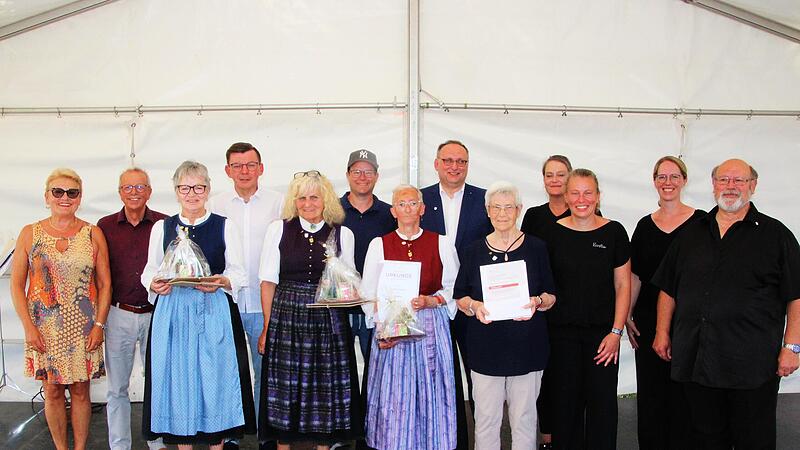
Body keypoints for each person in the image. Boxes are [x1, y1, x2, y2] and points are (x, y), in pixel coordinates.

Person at [652, 158, 800, 449]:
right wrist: (661, 331)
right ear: (713, 185)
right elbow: (668, 288)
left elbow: (795, 296)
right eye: (724, 180)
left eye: (739, 181)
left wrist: (792, 346)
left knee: (753, 440)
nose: (730, 187)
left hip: (752, 365)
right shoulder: (691, 233)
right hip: (698, 361)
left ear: (753, 186)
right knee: (705, 439)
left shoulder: (776, 235)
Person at [140, 161, 256, 449]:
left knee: (214, 380)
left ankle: (217, 443)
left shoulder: (224, 226)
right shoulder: (162, 227)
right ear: (176, 191)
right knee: (179, 381)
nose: (192, 194)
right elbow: (150, 269)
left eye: (198, 187)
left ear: (208, 190)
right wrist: (153, 284)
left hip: (212, 309)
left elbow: (238, 272)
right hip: (174, 312)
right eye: (185, 188)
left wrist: (222, 281)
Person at [257, 170, 361, 449]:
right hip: (287, 313)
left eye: (314, 197)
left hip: (328, 315)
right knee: (285, 385)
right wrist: (267, 327)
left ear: (325, 199)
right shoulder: (278, 229)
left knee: (325, 386)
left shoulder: (343, 233)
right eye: (301, 198)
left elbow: (348, 282)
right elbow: (267, 282)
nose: (307, 203)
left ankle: (323, 446)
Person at [10, 168, 111, 450]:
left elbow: (105, 285)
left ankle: (79, 448)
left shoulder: (94, 233)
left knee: (81, 390)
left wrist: (100, 325)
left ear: (79, 198)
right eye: (58, 191)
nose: (64, 197)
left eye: (72, 192)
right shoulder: (30, 234)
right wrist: (28, 327)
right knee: (52, 391)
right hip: (44, 330)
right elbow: (17, 285)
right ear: (47, 196)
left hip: (84, 329)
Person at [453, 181, 556, 450]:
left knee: (524, 418)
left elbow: (551, 295)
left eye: (508, 207)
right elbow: (460, 295)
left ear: (519, 210)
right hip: (486, 347)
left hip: (527, 345)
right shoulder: (473, 251)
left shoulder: (537, 247)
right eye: (496, 208)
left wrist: (537, 301)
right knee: (486, 419)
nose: (502, 214)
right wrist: (475, 306)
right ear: (487, 211)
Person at [360, 184, 460, 450]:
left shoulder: (441, 242)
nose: (407, 208)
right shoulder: (379, 245)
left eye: (413, 203)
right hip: (392, 328)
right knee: (395, 394)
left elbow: (453, 288)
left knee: (432, 390)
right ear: (393, 211)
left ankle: (433, 442)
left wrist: (432, 300)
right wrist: (381, 329)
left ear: (422, 208)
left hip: (429, 326)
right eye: (401, 204)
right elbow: (369, 292)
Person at [541, 168, 630, 450]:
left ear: (598, 195)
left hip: (602, 338)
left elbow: (623, 286)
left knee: (603, 407)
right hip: (561, 336)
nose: (582, 199)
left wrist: (616, 332)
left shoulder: (614, 232)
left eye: (588, 192)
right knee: (565, 408)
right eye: (575, 193)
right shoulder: (551, 235)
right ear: (566, 197)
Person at [208, 142, 283, 450]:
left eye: (250, 165)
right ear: (227, 171)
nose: (244, 171)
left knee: (267, 371)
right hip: (228, 302)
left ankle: (267, 433)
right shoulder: (215, 204)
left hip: (268, 303)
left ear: (261, 168)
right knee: (229, 369)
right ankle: (231, 433)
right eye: (237, 166)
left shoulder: (279, 203)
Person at [625, 156, 703, 450]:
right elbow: (635, 276)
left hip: (690, 321)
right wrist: (628, 315)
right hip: (647, 318)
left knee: (686, 393)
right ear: (654, 181)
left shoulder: (702, 222)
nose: (667, 182)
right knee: (652, 392)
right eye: (661, 177)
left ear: (684, 180)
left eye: (673, 176)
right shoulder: (645, 226)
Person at [420, 139, 491, 449]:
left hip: (473, 303)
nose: (454, 166)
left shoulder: (485, 200)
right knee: (438, 377)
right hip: (433, 304)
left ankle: (483, 439)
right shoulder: (419, 200)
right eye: (447, 160)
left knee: (478, 377)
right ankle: (447, 440)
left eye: (461, 161)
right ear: (436, 163)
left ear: (468, 165)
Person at [98, 168, 167, 450]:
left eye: (140, 187)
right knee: (117, 388)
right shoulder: (104, 226)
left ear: (150, 191)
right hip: (118, 314)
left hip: (156, 314)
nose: (134, 192)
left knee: (157, 383)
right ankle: (119, 445)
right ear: (119, 192)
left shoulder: (165, 224)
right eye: (128, 187)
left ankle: (158, 442)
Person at [340, 149, 396, 450]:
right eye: (357, 171)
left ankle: (369, 431)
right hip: (341, 305)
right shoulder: (331, 211)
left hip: (376, 304)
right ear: (348, 174)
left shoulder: (389, 214)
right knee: (341, 368)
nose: (363, 177)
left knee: (376, 368)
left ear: (377, 175)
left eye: (368, 171)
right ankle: (341, 431)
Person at [520, 154, 572, 450]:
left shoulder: (583, 210)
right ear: (543, 180)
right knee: (544, 374)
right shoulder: (534, 216)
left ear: (570, 176)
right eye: (549, 174)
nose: (555, 179)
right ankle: (548, 434)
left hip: (572, 303)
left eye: (561, 174)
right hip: (540, 305)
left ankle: (568, 431)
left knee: (567, 373)